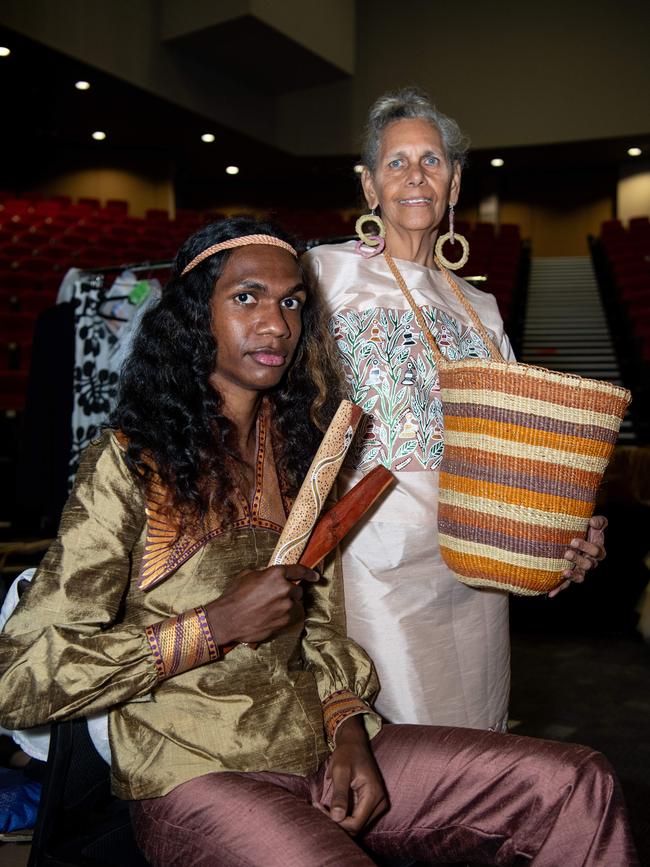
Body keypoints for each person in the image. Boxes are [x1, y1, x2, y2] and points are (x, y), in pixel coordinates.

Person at [0, 218, 637, 866]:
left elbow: (324, 635)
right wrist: (211, 625)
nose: (276, 322)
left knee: (575, 786)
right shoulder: (130, 465)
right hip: (193, 774)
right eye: (246, 297)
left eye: (292, 301)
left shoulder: (307, 458)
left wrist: (349, 729)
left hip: (317, 748)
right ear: (195, 313)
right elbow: (22, 676)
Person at [304, 88, 608, 731]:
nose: (415, 175)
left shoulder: (483, 307)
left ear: (455, 181)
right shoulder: (320, 277)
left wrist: (560, 532)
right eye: (395, 162)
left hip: (473, 563)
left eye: (432, 161)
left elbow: (513, 443)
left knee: (477, 742)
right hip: (369, 558)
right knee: (405, 752)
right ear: (368, 185)